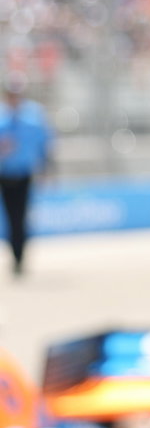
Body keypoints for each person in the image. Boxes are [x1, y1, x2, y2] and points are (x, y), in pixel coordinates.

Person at [0, 75, 53, 277]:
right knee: (9, 217)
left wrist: (45, 168)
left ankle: (20, 256)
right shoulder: (2, 117)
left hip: (23, 175)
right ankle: (15, 253)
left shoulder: (34, 117)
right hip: (4, 175)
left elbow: (44, 144)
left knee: (21, 217)